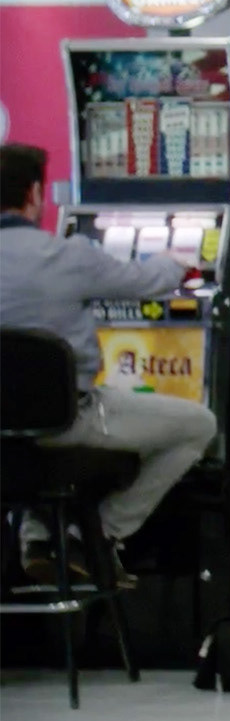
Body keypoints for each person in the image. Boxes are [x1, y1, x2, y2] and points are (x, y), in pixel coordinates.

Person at [0, 143, 218, 587]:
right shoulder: (67, 256)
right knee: (199, 425)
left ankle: (37, 538)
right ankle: (97, 533)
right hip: (68, 424)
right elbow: (146, 281)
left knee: (24, 433)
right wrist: (174, 263)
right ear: (35, 193)